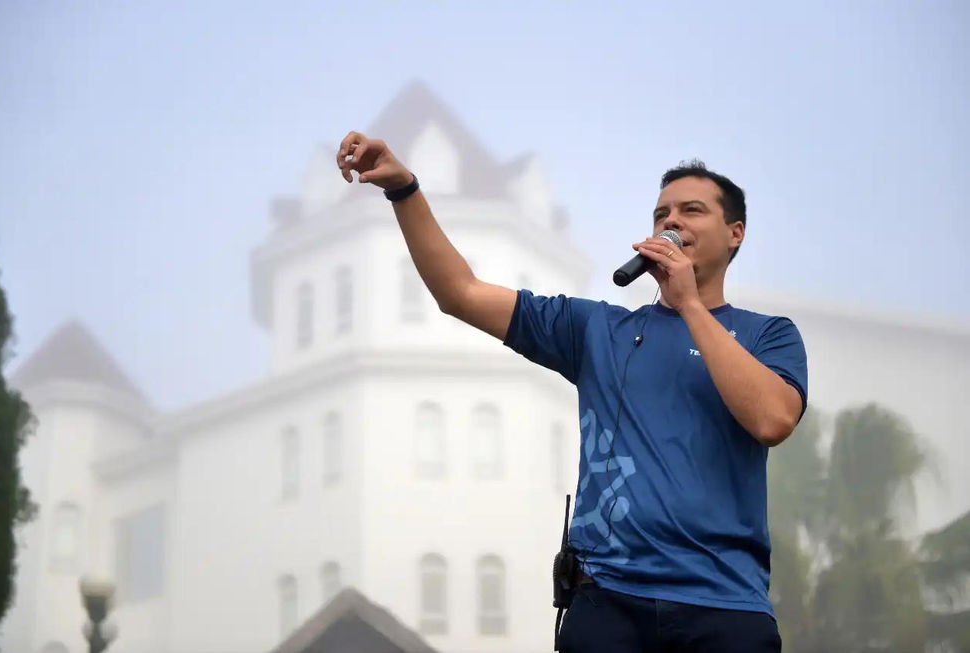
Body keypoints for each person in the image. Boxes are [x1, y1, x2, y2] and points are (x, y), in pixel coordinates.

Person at [337, 131, 807, 653]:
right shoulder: (595, 330)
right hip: (607, 602)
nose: (671, 222)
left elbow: (772, 420)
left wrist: (691, 305)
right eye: (661, 214)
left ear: (735, 233)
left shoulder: (768, 335)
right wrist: (405, 191)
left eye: (692, 211)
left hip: (723, 607)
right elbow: (460, 292)